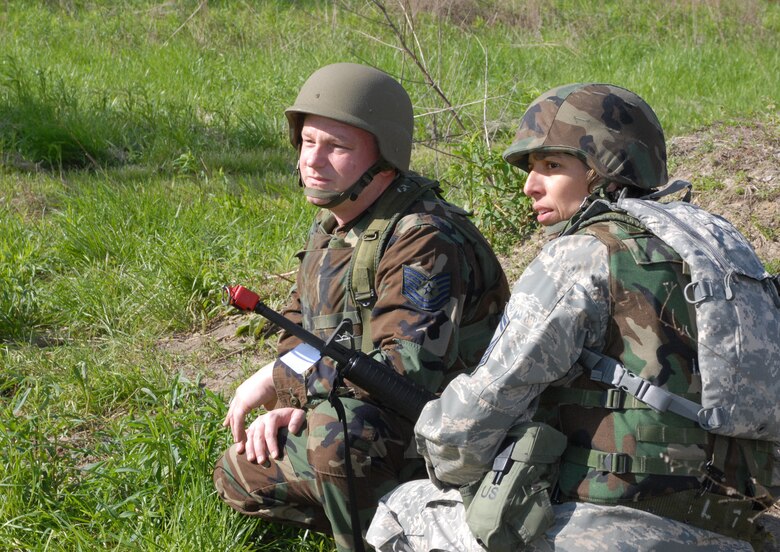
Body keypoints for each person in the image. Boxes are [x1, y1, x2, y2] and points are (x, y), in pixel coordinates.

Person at [366, 83, 777, 551]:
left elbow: (473, 418)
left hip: (615, 530)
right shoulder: (720, 251)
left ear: (601, 172)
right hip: (739, 532)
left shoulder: (583, 254)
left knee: (401, 510)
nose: (530, 185)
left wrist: (443, 459)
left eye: (551, 166)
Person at [212, 62, 510, 551]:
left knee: (339, 437)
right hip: (375, 413)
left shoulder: (422, 237)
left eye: (338, 147)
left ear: (385, 160)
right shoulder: (336, 224)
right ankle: (389, 520)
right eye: (308, 141)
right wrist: (292, 404)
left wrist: (278, 381)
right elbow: (301, 329)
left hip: (456, 434)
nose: (313, 160)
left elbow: (406, 369)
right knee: (241, 470)